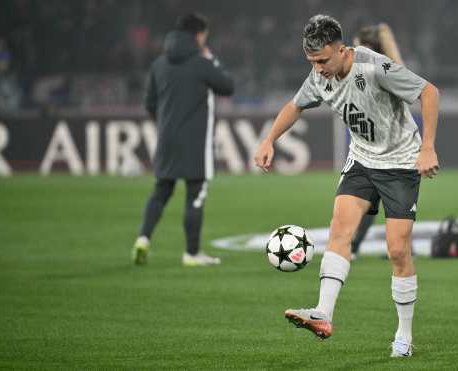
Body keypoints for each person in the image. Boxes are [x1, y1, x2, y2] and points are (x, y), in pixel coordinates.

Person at [254, 15, 439, 357]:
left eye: (323, 60)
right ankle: (323, 313)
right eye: (312, 62)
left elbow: (429, 92)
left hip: (400, 163)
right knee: (340, 230)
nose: (318, 69)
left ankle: (404, 333)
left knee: (397, 250)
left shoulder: (374, 67)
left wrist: (427, 147)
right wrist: (269, 139)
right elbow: (295, 106)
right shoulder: (318, 76)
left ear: (342, 49)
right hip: (362, 162)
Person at [133, 13, 235, 267]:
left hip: (166, 139)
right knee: (195, 196)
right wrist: (212, 60)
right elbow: (227, 87)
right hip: (196, 144)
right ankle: (191, 253)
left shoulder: (159, 64)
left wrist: (167, 123)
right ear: (199, 35)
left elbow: (149, 104)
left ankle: (143, 239)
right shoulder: (201, 63)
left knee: (160, 192)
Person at [350, 23, 405, 260]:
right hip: (376, 140)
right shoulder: (369, 68)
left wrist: (385, 37)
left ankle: (356, 245)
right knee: (381, 198)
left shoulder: (378, 68)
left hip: (390, 143)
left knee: (383, 199)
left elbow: (399, 70)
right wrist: (385, 36)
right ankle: (357, 245)